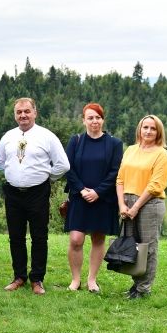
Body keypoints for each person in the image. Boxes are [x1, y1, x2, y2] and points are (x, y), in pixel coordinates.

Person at [0, 98, 70, 295]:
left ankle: (37, 279)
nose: (23, 115)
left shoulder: (47, 136)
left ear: (35, 113)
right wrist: (15, 174)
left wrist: (46, 177)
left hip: (38, 192)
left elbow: (63, 164)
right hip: (13, 193)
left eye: (27, 111)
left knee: (39, 236)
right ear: (15, 115)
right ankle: (19, 276)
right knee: (15, 237)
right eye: (19, 112)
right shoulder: (8, 137)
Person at [64, 103, 123, 293]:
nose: (94, 121)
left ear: (103, 120)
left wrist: (97, 192)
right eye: (90, 118)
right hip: (79, 198)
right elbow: (68, 168)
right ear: (84, 120)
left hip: (103, 199)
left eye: (98, 117)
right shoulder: (76, 141)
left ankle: (92, 280)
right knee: (76, 239)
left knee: (98, 239)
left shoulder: (114, 143)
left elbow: (115, 172)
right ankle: (75, 279)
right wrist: (82, 190)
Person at [116, 115, 167, 299]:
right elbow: (120, 179)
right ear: (139, 129)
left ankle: (143, 288)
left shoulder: (161, 153)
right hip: (128, 202)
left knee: (148, 246)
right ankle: (135, 285)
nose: (148, 131)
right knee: (133, 246)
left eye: (152, 128)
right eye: (145, 127)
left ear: (158, 132)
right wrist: (122, 204)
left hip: (149, 203)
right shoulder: (131, 150)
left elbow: (156, 185)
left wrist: (136, 207)